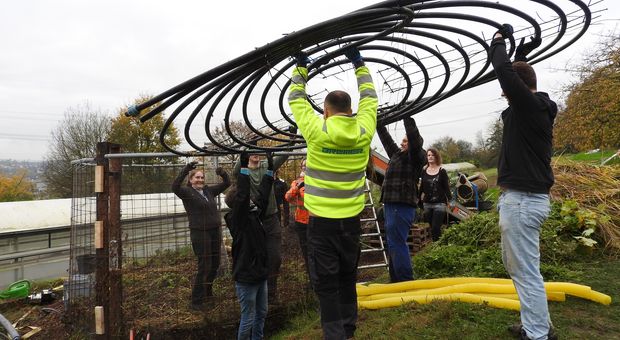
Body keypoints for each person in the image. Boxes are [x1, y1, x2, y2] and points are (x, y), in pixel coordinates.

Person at [288, 46, 377, 340]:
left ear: (325, 111)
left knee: (325, 282)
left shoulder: (316, 129)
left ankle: (335, 335)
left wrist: (302, 66)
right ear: (350, 111)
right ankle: (348, 330)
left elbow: (295, 99)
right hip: (351, 220)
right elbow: (370, 98)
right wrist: (359, 63)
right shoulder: (364, 130)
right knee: (347, 276)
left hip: (321, 222)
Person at [492, 24, 557, 340]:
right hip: (523, 200)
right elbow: (515, 75)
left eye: (507, 90)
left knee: (526, 271)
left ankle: (537, 334)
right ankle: (537, 325)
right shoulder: (534, 108)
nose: (504, 93)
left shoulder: (530, 107)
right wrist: (523, 52)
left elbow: (504, 71)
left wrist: (499, 40)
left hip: (522, 201)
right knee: (521, 269)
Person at [224, 151, 274, 340]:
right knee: (248, 317)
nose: (251, 199)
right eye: (246, 199)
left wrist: (270, 169)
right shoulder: (239, 219)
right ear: (240, 203)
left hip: (260, 273)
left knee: (262, 312)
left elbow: (262, 194)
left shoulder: (254, 213)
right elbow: (244, 195)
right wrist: (244, 166)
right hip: (246, 276)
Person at [172, 161, 230, 311]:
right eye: (197, 177)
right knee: (204, 266)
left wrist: (222, 173)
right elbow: (174, 187)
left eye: (202, 177)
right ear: (191, 180)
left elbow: (227, 183)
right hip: (200, 232)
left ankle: (207, 294)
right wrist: (186, 169)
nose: (200, 180)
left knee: (215, 265)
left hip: (214, 231)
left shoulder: (208, 191)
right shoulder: (187, 192)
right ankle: (196, 301)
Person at [234, 149, 289, 303]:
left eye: (257, 149)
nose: (255, 153)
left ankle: (271, 293)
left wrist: (291, 136)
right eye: (252, 150)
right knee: (255, 257)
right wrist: (244, 149)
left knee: (275, 257)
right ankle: (256, 294)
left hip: (271, 219)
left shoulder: (266, 165)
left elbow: (284, 154)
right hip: (253, 222)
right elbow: (236, 170)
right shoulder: (242, 169)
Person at [376, 117, 426, 282]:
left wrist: (407, 117)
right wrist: (378, 122)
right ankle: (395, 279)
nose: (403, 143)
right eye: (402, 141)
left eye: (406, 141)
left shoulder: (417, 156)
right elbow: (386, 139)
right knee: (392, 243)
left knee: (397, 242)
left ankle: (405, 280)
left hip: (402, 204)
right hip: (391, 203)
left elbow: (414, 139)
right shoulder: (397, 154)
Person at [284, 159, 310, 283]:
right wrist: (298, 188)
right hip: (301, 222)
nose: (305, 167)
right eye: (303, 165)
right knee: (307, 253)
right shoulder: (297, 182)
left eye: (307, 165)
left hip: (317, 221)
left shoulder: (318, 180)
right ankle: (312, 282)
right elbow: (288, 196)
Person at [419, 148, 452, 242]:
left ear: (436, 157)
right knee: (431, 228)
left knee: (436, 227)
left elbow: (446, 188)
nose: (430, 157)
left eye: (432, 155)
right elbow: (421, 186)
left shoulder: (442, 171)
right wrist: (418, 198)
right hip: (427, 204)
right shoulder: (424, 170)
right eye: (428, 155)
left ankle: (438, 247)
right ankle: (437, 246)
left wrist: (451, 200)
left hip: (440, 204)